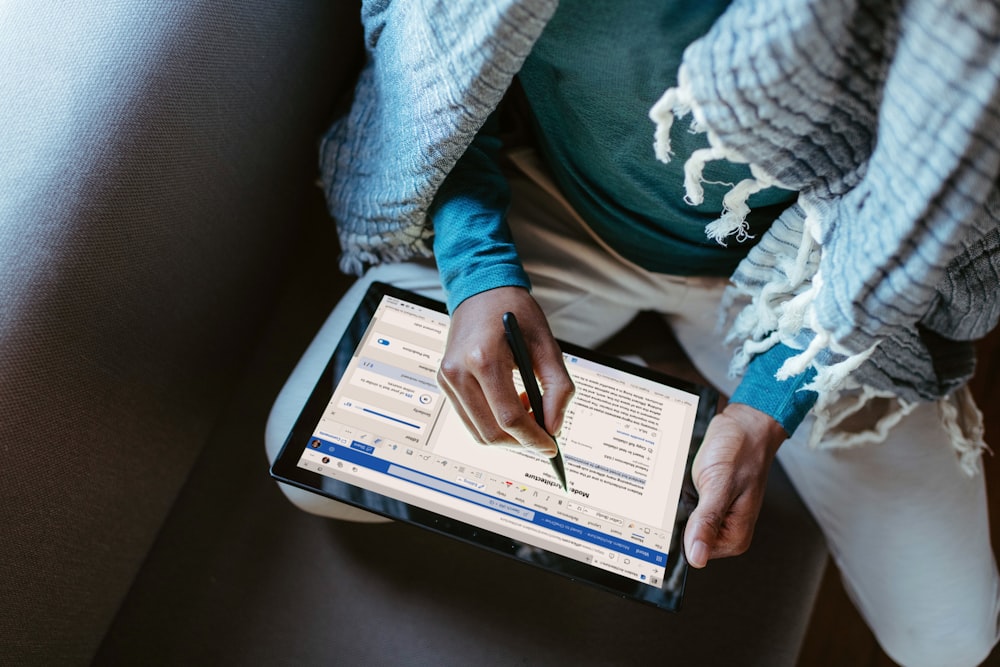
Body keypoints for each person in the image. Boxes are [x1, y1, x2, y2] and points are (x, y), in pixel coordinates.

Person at [267, 1, 1000, 665]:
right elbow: (438, 74)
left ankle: (668, 382)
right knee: (311, 461)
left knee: (950, 639)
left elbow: (916, 206)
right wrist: (479, 271)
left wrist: (769, 403)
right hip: (557, 210)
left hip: (802, 280)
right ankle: (652, 378)